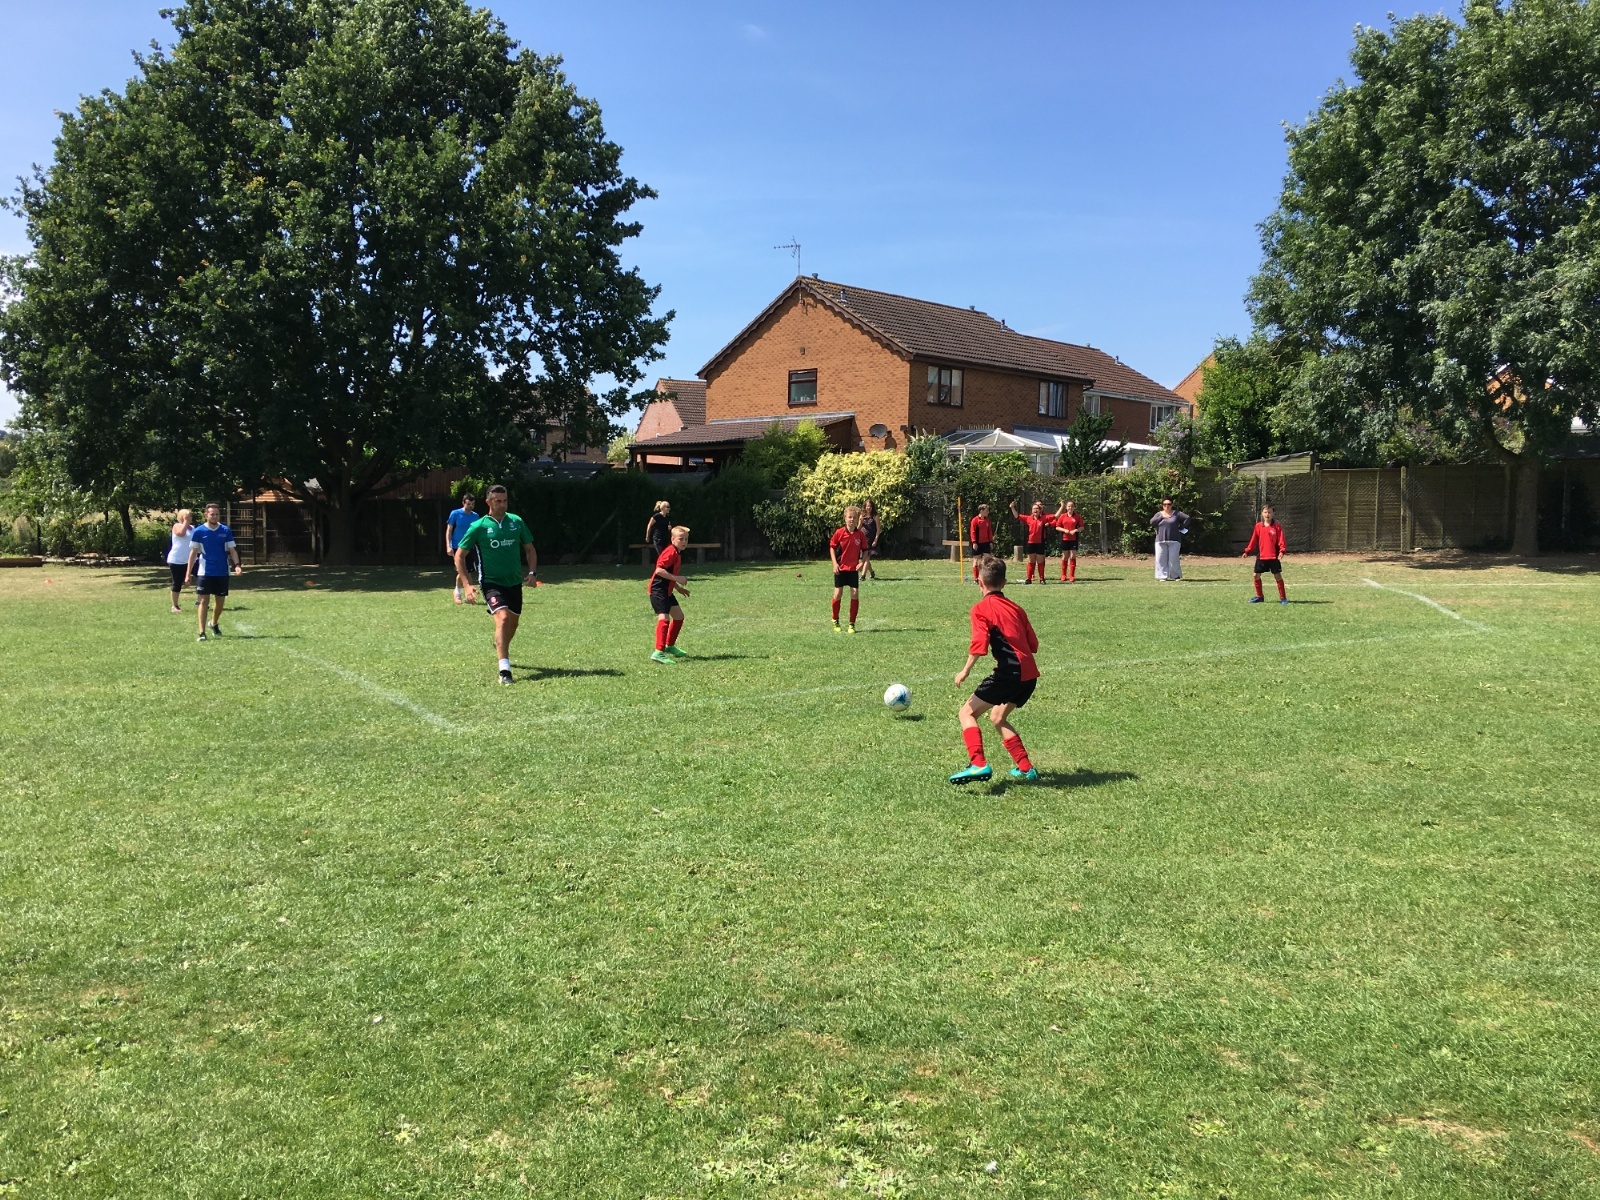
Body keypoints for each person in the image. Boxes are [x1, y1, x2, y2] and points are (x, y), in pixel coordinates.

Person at [950, 555, 1041, 785]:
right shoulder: (1017, 608)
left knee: (967, 713)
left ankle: (978, 763)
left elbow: (979, 645)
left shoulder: (981, 609)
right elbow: (1033, 645)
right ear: (1004, 582)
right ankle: (1026, 768)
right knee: (998, 717)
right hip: (1029, 675)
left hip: (1010, 673)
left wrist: (965, 671)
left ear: (980, 582)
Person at [454, 484, 538, 685]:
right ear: (488, 502)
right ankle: (504, 671)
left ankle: (500, 645)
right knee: (502, 618)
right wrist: (467, 585)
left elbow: (530, 550)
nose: (502, 505)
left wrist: (532, 573)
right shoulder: (479, 526)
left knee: (513, 623)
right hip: (490, 582)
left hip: (514, 582)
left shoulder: (516, 522)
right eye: (498, 501)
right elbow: (460, 556)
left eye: (505, 501)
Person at [185, 503, 242, 641]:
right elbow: (193, 553)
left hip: (222, 571)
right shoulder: (199, 531)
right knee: (203, 601)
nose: (214, 516)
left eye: (216, 514)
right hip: (205, 572)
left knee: (220, 601)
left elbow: (232, 550)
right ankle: (201, 632)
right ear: (206, 514)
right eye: (212, 514)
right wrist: (188, 574)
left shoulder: (225, 530)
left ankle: (214, 623)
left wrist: (237, 565)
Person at [649, 525, 692, 664]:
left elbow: (668, 574)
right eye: (681, 539)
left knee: (679, 617)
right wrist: (678, 579)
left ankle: (669, 646)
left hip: (667, 590)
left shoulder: (677, 552)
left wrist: (677, 588)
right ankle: (658, 652)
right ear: (673, 539)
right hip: (658, 590)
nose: (684, 542)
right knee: (664, 618)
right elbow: (659, 570)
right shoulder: (670, 552)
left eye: (686, 539)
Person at [829, 505, 870, 633]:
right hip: (840, 569)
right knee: (838, 594)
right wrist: (834, 564)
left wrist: (862, 563)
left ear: (858, 519)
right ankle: (835, 619)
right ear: (845, 518)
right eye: (849, 517)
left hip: (853, 569)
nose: (852, 519)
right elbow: (832, 547)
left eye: (854, 517)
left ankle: (852, 624)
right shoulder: (839, 533)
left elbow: (865, 550)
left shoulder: (860, 535)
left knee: (855, 593)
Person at [1242, 503, 1289, 604]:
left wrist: (1282, 551)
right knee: (1256, 576)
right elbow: (1253, 540)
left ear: (1273, 513)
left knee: (1277, 576)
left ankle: (1283, 598)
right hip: (1262, 556)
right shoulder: (1258, 526)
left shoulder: (1277, 526)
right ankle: (1260, 597)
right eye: (1265, 512)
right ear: (1262, 514)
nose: (1267, 514)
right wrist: (1247, 551)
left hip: (1273, 556)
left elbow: (1281, 540)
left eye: (1270, 512)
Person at [445, 491, 479, 604]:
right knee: (461, 570)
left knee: (468, 571)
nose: (470, 506)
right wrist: (448, 545)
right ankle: (458, 592)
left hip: (470, 546)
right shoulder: (455, 514)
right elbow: (449, 530)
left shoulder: (475, 516)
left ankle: (468, 593)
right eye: (468, 504)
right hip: (457, 546)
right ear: (463, 503)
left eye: (472, 504)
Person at [1009, 499, 1051, 584]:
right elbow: (1017, 516)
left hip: (1040, 543)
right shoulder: (1028, 518)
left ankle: (1042, 579)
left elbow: (1056, 516)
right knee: (1031, 561)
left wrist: (1062, 506)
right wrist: (1012, 508)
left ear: (1040, 510)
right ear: (1031, 510)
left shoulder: (1043, 518)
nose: (1035, 510)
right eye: (1034, 508)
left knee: (1040, 561)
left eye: (1037, 508)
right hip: (1031, 543)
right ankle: (1029, 579)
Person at [1149, 497, 1190, 581]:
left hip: (1174, 540)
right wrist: (1161, 517)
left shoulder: (1176, 514)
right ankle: (1162, 576)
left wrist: (1181, 527)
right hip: (1160, 540)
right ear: (1162, 505)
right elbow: (1152, 522)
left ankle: (1175, 576)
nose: (1166, 506)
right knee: (1160, 559)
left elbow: (1187, 518)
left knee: (1173, 559)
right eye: (1164, 504)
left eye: (1169, 504)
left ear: (1172, 505)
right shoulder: (1159, 514)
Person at [166, 508, 195, 612]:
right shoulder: (177, 526)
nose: (190, 518)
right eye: (187, 516)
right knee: (177, 582)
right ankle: (175, 606)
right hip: (177, 559)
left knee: (202, 577)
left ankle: (200, 601)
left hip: (192, 559)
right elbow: (181, 533)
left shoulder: (193, 528)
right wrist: (185, 521)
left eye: (190, 516)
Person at [1052, 500, 1086, 582]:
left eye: (1072, 506)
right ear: (1066, 508)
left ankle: (1072, 576)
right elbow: (1057, 527)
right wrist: (1064, 530)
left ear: (1074, 507)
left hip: (1073, 539)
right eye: (1069, 506)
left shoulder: (1077, 516)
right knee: (1065, 556)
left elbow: (1082, 527)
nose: (1070, 507)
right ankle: (1063, 575)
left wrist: (1075, 530)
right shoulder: (1062, 516)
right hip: (1065, 539)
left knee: (1073, 556)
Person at [968, 503, 993, 584]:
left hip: (986, 543)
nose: (988, 512)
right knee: (977, 561)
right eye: (986, 510)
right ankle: (976, 578)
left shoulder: (987, 520)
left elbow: (989, 531)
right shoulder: (975, 520)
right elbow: (972, 532)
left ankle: (987, 577)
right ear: (981, 511)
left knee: (988, 560)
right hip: (977, 543)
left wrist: (991, 541)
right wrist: (974, 542)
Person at [860, 498, 881, 580]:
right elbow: (858, 528)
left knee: (866, 558)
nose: (868, 508)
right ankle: (872, 572)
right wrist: (861, 521)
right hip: (863, 539)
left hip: (871, 539)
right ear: (865, 507)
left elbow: (878, 529)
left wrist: (876, 539)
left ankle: (863, 576)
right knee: (865, 559)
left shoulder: (875, 516)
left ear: (872, 507)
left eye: (870, 506)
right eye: (867, 506)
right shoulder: (862, 516)